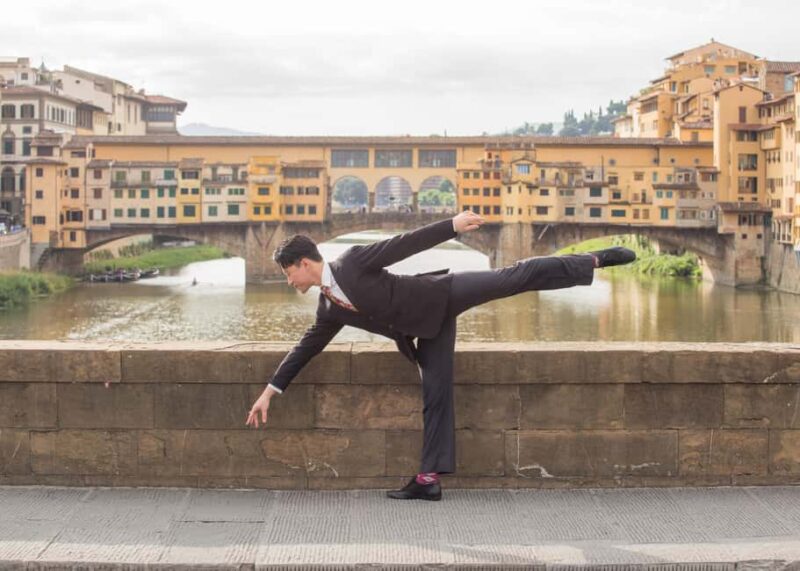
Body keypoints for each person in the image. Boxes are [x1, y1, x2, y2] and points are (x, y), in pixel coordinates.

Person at [245, 211, 635, 501]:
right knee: (435, 397)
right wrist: (270, 391)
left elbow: (403, 244)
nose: (288, 281)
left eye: (287, 273)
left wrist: (452, 225)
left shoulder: (351, 262)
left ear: (304, 264)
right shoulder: (329, 308)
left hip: (441, 294)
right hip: (426, 332)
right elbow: (307, 347)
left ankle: (593, 260)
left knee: (511, 277)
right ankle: (428, 481)